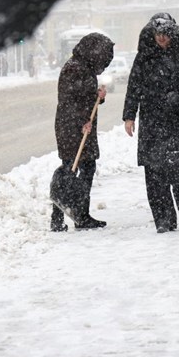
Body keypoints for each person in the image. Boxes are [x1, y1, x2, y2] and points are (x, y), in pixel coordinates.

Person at [123, 13, 179, 233]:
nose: (162, 38)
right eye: (158, 34)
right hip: (152, 119)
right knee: (154, 172)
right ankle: (163, 219)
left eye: (166, 34)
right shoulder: (144, 57)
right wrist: (129, 115)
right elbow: (134, 85)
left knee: (178, 168)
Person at [51, 32, 114, 232]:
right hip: (73, 128)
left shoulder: (83, 67)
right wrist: (81, 123)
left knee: (79, 169)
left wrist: (99, 97)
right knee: (74, 170)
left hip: (79, 126)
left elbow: (84, 97)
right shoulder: (74, 69)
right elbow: (70, 101)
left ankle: (73, 215)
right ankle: (75, 216)